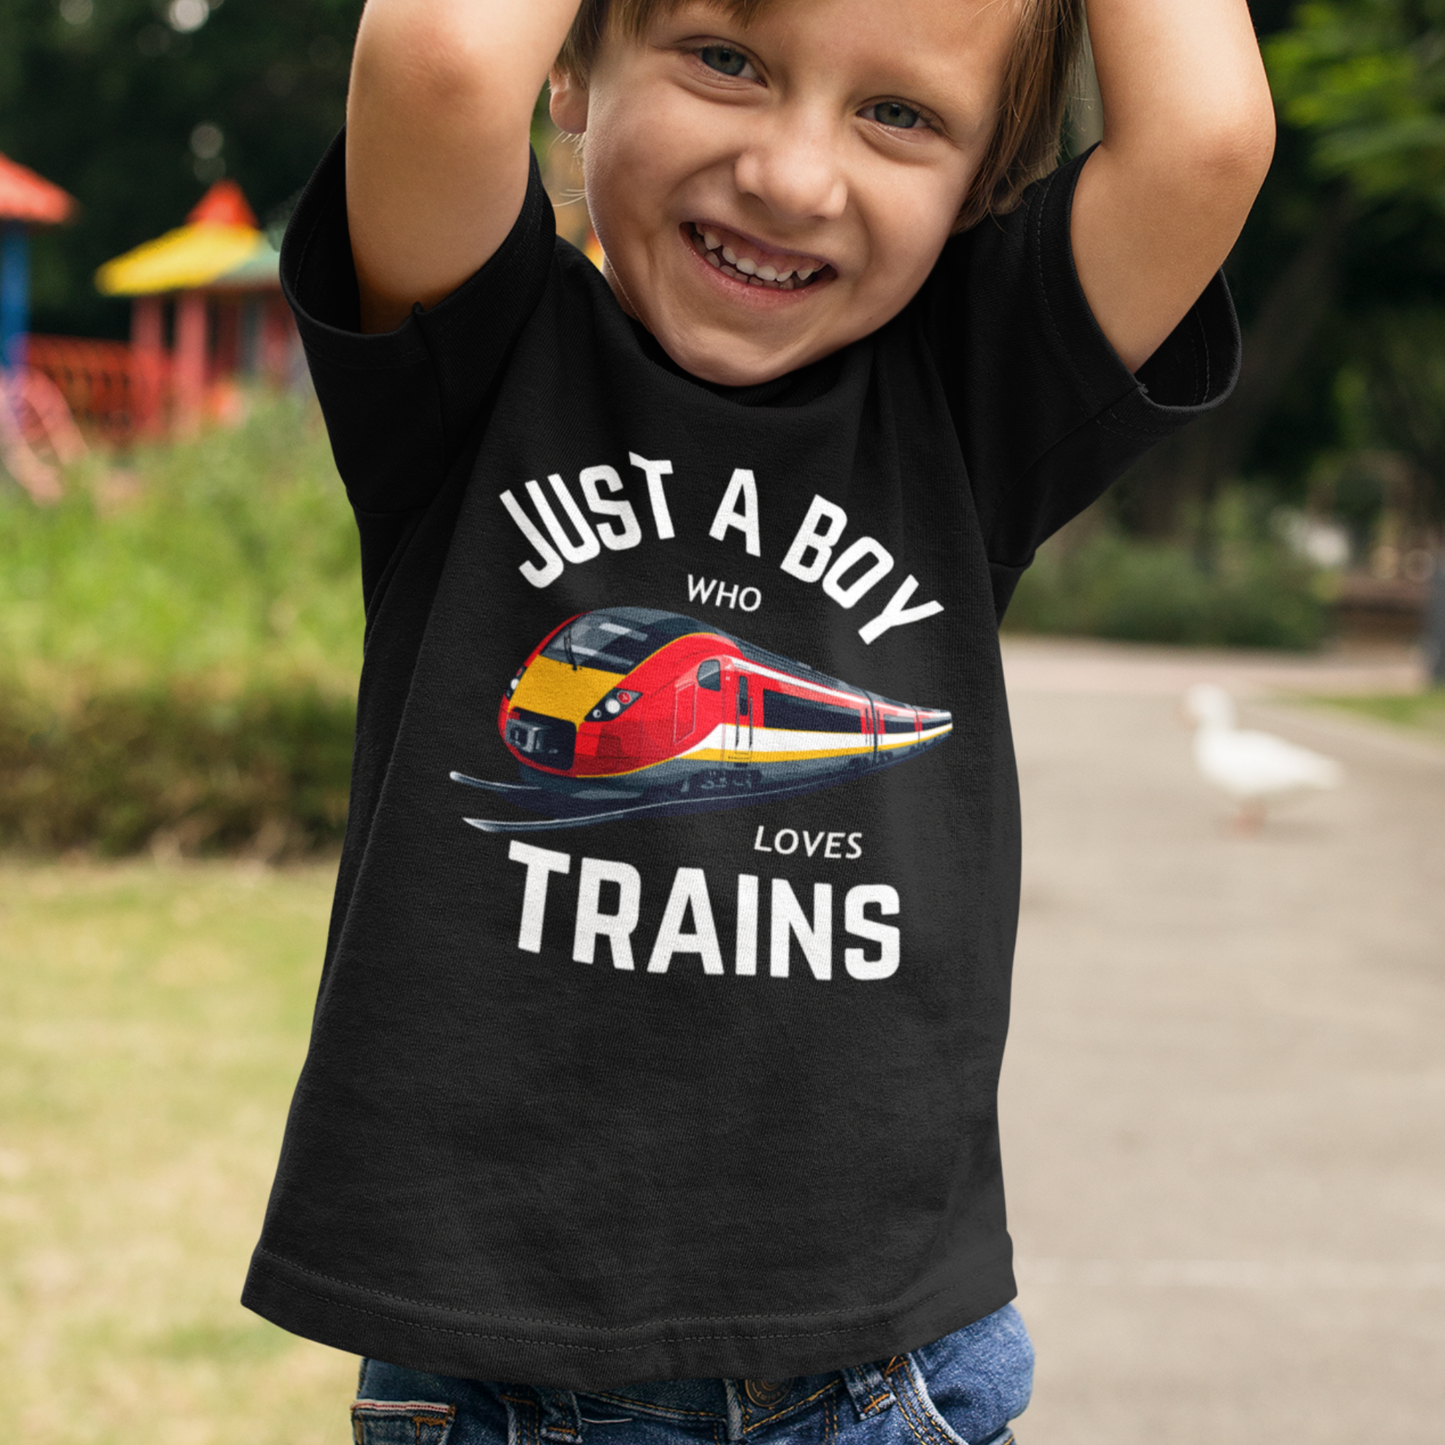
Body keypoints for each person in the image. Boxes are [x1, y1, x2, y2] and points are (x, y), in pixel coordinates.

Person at [242, 1, 1274, 1440]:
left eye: (900, 116)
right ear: (573, 68)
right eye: (726, 59)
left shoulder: (969, 402)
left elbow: (1209, 138)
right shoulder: (475, 369)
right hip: (491, 1390)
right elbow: (435, 59)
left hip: (875, 1381)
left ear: (980, 191)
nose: (793, 175)